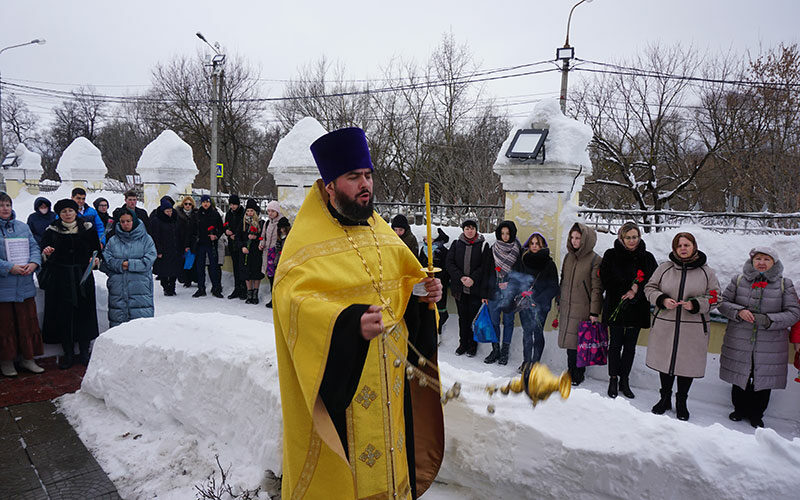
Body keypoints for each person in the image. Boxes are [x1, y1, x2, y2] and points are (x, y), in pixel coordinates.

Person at [273, 127, 444, 499]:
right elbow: (292, 301)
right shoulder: (305, 241)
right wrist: (348, 326)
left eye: (367, 175)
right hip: (348, 387)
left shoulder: (381, 231)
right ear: (330, 185)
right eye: (353, 177)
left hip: (391, 386)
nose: (365, 185)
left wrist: (421, 295)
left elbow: (402, 284)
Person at [717, 247, 800, 428]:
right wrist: (739, 312)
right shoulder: (738, 281)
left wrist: (769, 320)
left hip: (770, 344)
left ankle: (757, 414)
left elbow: (794, 313)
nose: (761, 262)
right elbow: (722, 303)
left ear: (774, 263)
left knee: (763, 379)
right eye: (758, 259)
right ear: (752, 261)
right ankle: (739, 410)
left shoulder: (785, 284)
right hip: (740, 339)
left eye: (767, 259)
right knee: (741, 375)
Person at [644, 232, 720, 421]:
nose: (683, 249)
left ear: (694, 246)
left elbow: (715, 297)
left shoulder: (706, 272)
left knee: (687, 366)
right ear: (674, 248)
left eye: (687, 245)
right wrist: (661, 299)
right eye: (679, 246)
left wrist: (695, 304)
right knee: (666, 363)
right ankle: (664, 399)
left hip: (693, 328)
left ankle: (681, 402)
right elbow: (649, 288)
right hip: (665, 325)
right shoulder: (664, 268)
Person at [599, 222, 658, 399]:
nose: (632, 241)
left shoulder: (647, 257)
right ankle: (613, 378)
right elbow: (606, 279)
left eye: (635, 237)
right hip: (616, 304)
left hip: (636, 307)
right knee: (615, 344)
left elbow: (653, 281)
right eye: (628, 237)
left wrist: (636, 292)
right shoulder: (611, 255)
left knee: (630, 346)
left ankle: (625, 379)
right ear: (621, 238)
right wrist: (627, 288)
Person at [40, 198, 101, 369]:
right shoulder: (51, 231)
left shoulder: (88, 229)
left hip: (83, 277)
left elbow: (97, 251)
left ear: (76, 212)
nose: (68, 214)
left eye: (71, 210)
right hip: (61, 279)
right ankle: (67, 353)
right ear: (59, 214)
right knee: (63, 315)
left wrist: (95, 259)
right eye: (64, 211)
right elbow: (43, 252)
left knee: (85, 314)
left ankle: (83, 351)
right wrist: (47, 252)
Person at [0, 192, 44, 377]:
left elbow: (34, 247)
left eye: (8, 205)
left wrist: (34, 263)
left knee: (27, 324)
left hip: (25, 284)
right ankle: (6, 361)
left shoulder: (22, 227)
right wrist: (9, 268)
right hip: (4, 287)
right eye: (1, 205)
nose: (5, 208)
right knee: (5, 326)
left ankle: (28, 358)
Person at [557, 222, 603, 386]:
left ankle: (579, 373)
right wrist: (559, 300)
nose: (575, 241)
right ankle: (570, 370)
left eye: (578, 238)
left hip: (583, 307)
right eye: (572, 237)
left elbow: (597, 288)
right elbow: (563, 280)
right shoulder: (569, 257)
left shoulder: (595, 260)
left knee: (580, 342)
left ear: (586, 240)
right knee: (570, 342)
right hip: (568, 305)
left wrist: (594, 312)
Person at [101, 209, 157, 327]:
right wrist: (121, 264)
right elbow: (108, 260)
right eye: (122, 221)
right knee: (118, 326)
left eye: (128, 221)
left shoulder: (146, 239)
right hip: (118, 289)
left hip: (140, 288)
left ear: (134, 221)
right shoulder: (113, 241)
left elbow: (148, 260)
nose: (125, 224)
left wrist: (129, 264)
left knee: (141, 326)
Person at [515, 232, 559, 371]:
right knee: (527, 332)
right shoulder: (523, 260)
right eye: (532, 243)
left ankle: (535, 363)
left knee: (537, 332)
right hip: (525, 303)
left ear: (542, 245)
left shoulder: (549, 264)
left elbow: (553, 287)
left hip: (540, 305)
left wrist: (538, 300)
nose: (534, 246)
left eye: (537, 243)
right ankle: (526, 361)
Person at [446, 219, 491, 357]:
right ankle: (462, 344)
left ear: (476, 230)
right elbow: (449, 263)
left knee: (473, 318)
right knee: (462, 317)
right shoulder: (456, 244)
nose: (470, 231)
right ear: (463, 230)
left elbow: (484, 266)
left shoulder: (483, 245)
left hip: (475, 290)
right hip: (460, 289)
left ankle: (472, 345)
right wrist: (461, 277)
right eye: (467, 228)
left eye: (472, 228)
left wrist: (472, 279)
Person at [483, 220, 522, 365]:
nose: (505, 236)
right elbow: (486, 272)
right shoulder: (493, 249)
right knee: (494, 321)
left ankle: (505, 351)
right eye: (502, 233)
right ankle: (495, 350)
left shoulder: (517, 251)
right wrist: (485, 294)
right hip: (493, 292)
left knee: (508, 321)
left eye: (508, 233)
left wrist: (510, 284)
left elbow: (520, 274)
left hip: (510, 294)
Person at [185, 194, 223, 298]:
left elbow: (221, 228)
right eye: (204, 202)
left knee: (213, 267)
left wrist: (215, 236)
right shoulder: (196, 214)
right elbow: (191, 230)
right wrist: (188, 244)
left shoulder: (215, 214)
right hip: (200, 244)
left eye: (207, 202)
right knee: (200, 267)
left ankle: (216, 288)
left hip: (211, 244)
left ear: (210, 203)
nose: (206, 204)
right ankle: (201, 288)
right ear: (201, 203)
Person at [419, 228, 450, 337]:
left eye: (428, 238)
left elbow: (446, 268)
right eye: (425, 238)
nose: (426, 240)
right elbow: (420, 264)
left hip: (439, 282)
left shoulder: (442, 251)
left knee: (439, 305)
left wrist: (438, 278)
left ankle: (439, 328)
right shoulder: (423, 250)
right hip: (426, 283)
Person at [149, 197, 183, 296]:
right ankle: (165, 286)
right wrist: (158, 250)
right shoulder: (157, 220)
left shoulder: (175, 218)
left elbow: (179, 233)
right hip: (163, 249)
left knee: (174, 269)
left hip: (175, 248)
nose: (169, 213)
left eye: (170, 211)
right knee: (163, 270)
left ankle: (172, 287)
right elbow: (155, 236)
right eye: (167, 211)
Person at [239, 199, 265, 304]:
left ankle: (255, 294)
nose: (249, 213)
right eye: (248, 211)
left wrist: (256, 238)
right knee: (247, 274)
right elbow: (238, 237)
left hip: (256, 251)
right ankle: (249, 293)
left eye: (251, 211)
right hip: (246, 251)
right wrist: (242, 246)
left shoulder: (260, 223)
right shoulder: (243, 223)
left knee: (255, 273)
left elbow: (263, 236)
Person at [259, 200, 282, 308]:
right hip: (267, 252)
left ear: (277, 211)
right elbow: (263, 236)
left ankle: (276, 299)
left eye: (273, 211)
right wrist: (261, 243)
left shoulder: (281, 223)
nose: (270, 213)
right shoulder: (267, 222)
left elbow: (284, 238)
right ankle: (273, 297)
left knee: (276, 277)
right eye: (268, 211)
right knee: (270, 275)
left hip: (276, 253)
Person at [224, 194, 246, 300]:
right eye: (231, 205)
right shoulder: (229, 213)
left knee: (242, 267)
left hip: (240, 244)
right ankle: (237, 288)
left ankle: (243, 289)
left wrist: (236, 236)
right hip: (232, 244)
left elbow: (242, 227)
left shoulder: (243, 212)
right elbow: (226, 224)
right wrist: (226, 231)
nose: (232, 207)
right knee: (235, 267)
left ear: (238, 204)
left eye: (234, 205)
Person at [176, 195, 197, 288]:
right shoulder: (178, 215)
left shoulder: (196, 214)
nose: (188, 206)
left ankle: (194, 278)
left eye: (189, 204)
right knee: (184, 261)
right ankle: (186, 280)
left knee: (193, 261)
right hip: (182, 240)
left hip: (193, 241)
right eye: (186, 204)